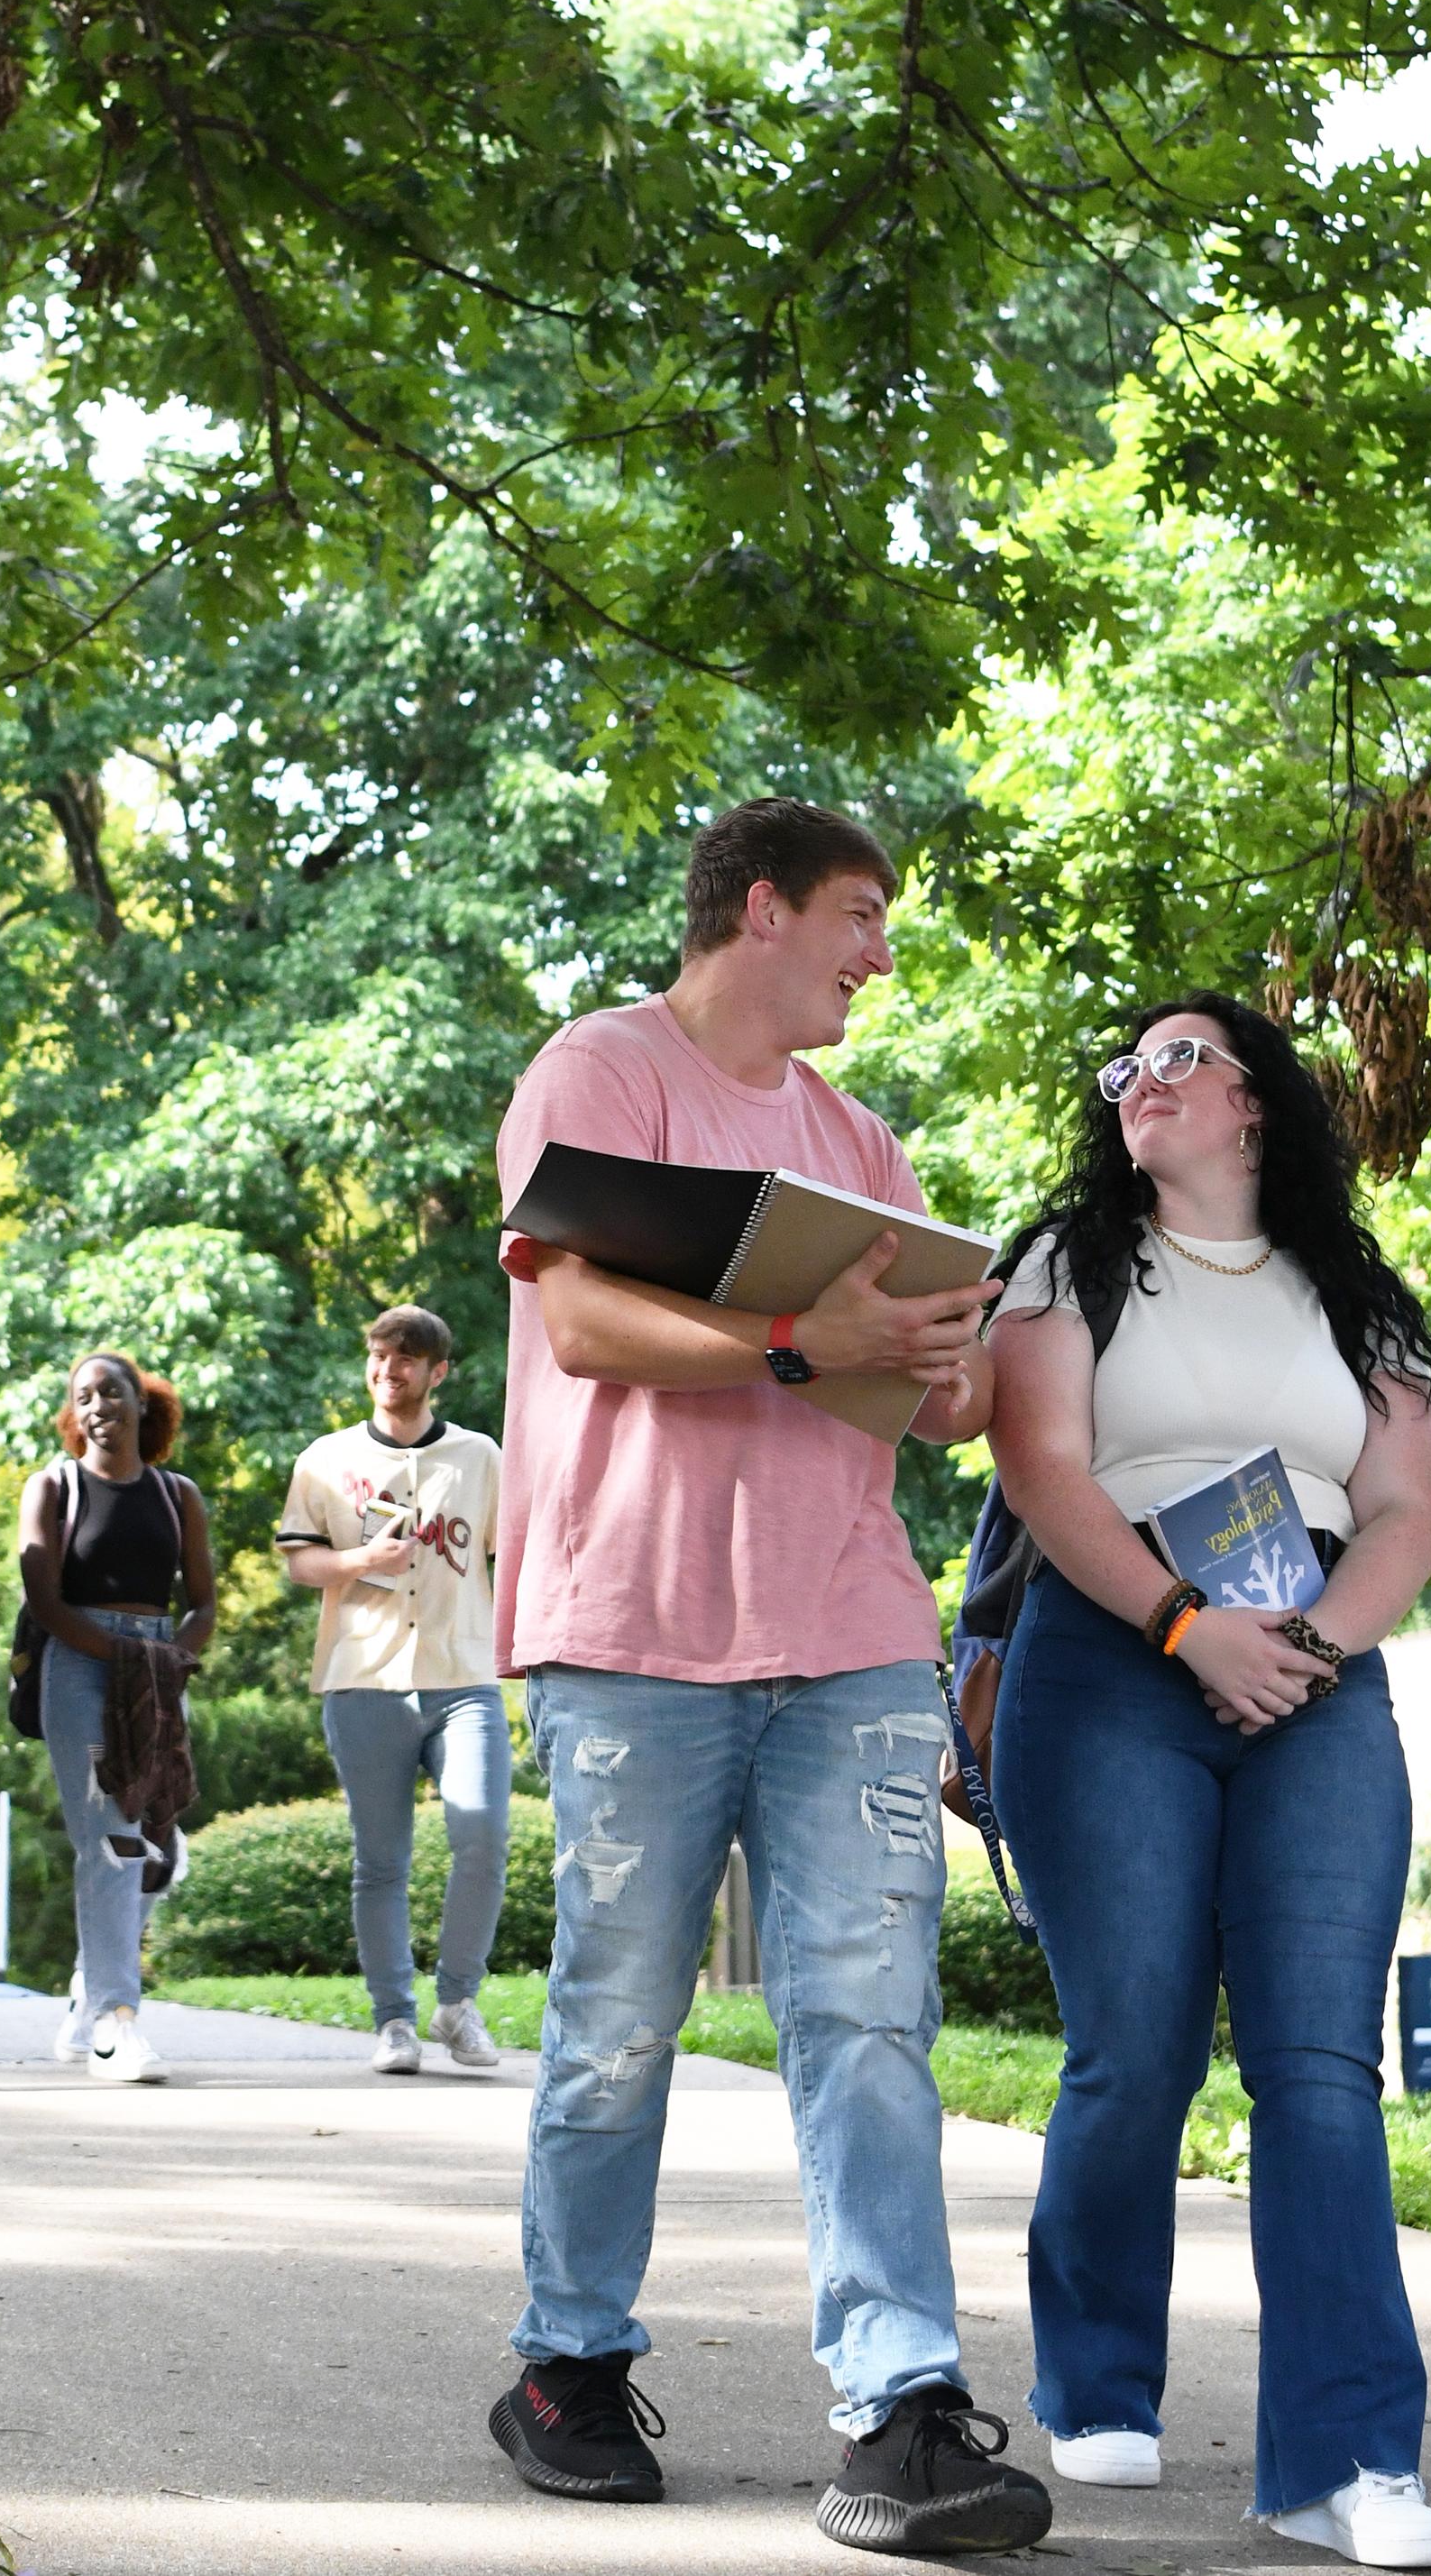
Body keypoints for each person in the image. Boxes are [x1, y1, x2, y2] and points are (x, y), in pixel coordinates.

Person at [488, 795, 1050, 2557]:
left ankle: (902, 2406)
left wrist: (945, 1362)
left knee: (871, 2019)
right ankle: (567, 2363)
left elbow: (931, 1391)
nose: (880, 954)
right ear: (758, 907)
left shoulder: (859, 1142)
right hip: (630, 1638)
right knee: (617, 2022)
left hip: (856, 1644)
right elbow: (583, 1325)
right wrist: (815, 1341)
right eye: (860, 916)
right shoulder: (602, 1074)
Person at [985, 994, 1431, 2571]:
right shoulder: (1069, 1261)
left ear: (1259, 1101)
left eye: (1180, 1057)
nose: (1142, 1082)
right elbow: (1041, 1462)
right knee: (1134, 2050)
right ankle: (1098, 2375)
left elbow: (1402, 1509)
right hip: (1115, 1650)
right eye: (1123, 1067)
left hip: (1315, 1670)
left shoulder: (1360, 1298)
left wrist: (1307, 1650)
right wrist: (1189, 1625)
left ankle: (1346, 2462)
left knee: (1322, 2063)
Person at [276, 1306, 508, 2076]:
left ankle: (457, 2003)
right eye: (379, 1356)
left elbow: (515, 1557)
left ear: (437, 1371)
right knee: (382, 1861)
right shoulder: (324, 1458)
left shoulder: (480, 1458)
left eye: (406, 1360)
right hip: (364, 1675)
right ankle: (394, 2023)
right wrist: (355, 1561)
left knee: (482, 1840)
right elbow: (300, 1561)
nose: (389, 1371)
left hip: (463, 1674)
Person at [17, 1352, 214, 2086]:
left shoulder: (176, 1495)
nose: (100, 1404)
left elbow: (202, 1601)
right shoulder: (53, 1487)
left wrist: (168, 1659)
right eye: (85, 1396)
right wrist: (124, 1656)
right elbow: (44, 1600)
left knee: (155, 1845)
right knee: (111, 1839)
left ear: (143, 1402)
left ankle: (86, 1986)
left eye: (113, 1391)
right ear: (75, 1415)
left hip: (160, 1665)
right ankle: (114, 2025)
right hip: (77, 1665)